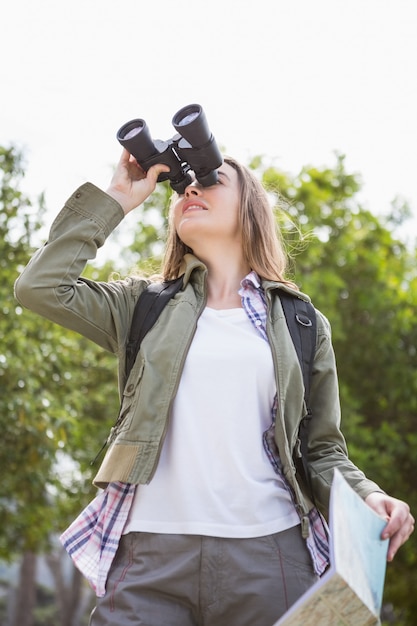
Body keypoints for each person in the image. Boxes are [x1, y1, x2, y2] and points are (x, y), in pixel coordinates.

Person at [15, 147, 414, 626]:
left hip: (271, 558)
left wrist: (368, 497)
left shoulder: (301, 322)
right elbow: (40, 287)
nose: (191, 189)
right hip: (149, 557)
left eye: (211, 179)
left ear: (251, 210)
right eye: (184, 186)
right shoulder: (143, 306)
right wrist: (118, 196)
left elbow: (322, 450)